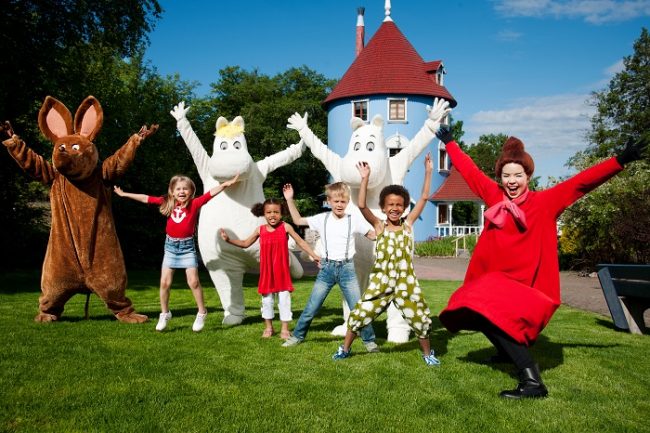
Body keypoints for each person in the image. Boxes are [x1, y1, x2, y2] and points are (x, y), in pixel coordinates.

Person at [435, 124, 648, 399]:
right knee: (475, 307)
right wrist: (451, 143)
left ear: (528, 176)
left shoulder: (545, 202)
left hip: (526, 287)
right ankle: (504, 352)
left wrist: (620, 160)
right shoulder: (493, 196)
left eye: (518, 175)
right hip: (496, 283)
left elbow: (582, 183)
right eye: (506, 175)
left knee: (485, 310)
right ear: (500, 177)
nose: (512, 181)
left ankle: (532, 381)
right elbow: (470, 171)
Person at [332, 153, 440, 366]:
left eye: (399, 204)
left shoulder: (408, 225)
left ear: (404, 207)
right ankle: (344, 349)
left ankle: (428, 354)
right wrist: (365, 178)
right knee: (361, 313)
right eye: (390, 204)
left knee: (419, 317)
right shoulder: (379, 226)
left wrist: (428, 172)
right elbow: (362, 205)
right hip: (381, 281)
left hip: (405, 282)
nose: (394, 208)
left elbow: (425, 197)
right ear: (383, 207)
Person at [114, 173, 239, 332]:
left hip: (187, 248)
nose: (182, 191)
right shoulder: (167, 203)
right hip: (171, 248)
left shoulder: (194, 204)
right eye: (178, 189)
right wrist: (124, 194)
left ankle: (202, 312)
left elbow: (211, 193)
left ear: (191, 191)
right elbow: (146, 198)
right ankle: (165, 313)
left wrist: (227, 183)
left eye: (185, 189)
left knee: (193, 282)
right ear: (172, 191)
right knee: (165, 283)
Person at [281, 182, 379, 352]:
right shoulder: (321, 219)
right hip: (326, 269)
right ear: (329, 201)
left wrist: (388, 229)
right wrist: (289, 199)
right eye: (336, 201)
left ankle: (369, 341)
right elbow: (297, 220)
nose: (339, 205)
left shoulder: (353, 220)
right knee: (312, 306)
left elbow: (373, 235)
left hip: (347, 270)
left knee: (358, 307)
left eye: (343, 201)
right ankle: (297, 336)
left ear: (347, 202)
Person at [220, 198, 320, 339]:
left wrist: (314, 255)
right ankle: (269, 328)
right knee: (267, 302)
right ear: (263, 213)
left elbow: (300, 241)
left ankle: (285, 329)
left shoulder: (286, 227)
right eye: (269, 212)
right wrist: (228, 240)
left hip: (282, 272)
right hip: (267, 274)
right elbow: (244, 243)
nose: (272, 215)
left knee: (284, 301)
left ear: (282, 213)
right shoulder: (260, 230)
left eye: (276, 212)